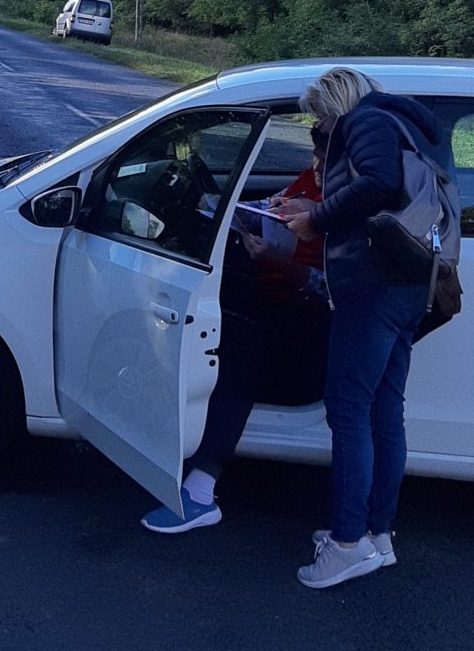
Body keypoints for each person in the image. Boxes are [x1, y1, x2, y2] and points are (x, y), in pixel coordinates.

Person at [279, 67, 445, 589]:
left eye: (319, 117)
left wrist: (316, 218)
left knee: (349, 412)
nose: (320, 127)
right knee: (382, 410)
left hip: (372, 286)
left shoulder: (364, 121)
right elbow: (390, 192)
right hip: (409, 283)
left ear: (335, 104)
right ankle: (377, 535)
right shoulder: (408, 123)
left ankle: (346, 545)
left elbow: (379, 184)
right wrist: (320, 206)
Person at [141, 127, 332, 534]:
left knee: (238, 354)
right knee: (226, 323)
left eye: (324, 157)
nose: (315, 166)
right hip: (279, 296)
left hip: (315, 315)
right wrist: (228, 210)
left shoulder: (347, 199)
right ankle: (187, 455)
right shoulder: (312, 180)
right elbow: (268, 205)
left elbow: (334, 285)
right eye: (314, 154)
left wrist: (281, 261)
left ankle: (201, 488)